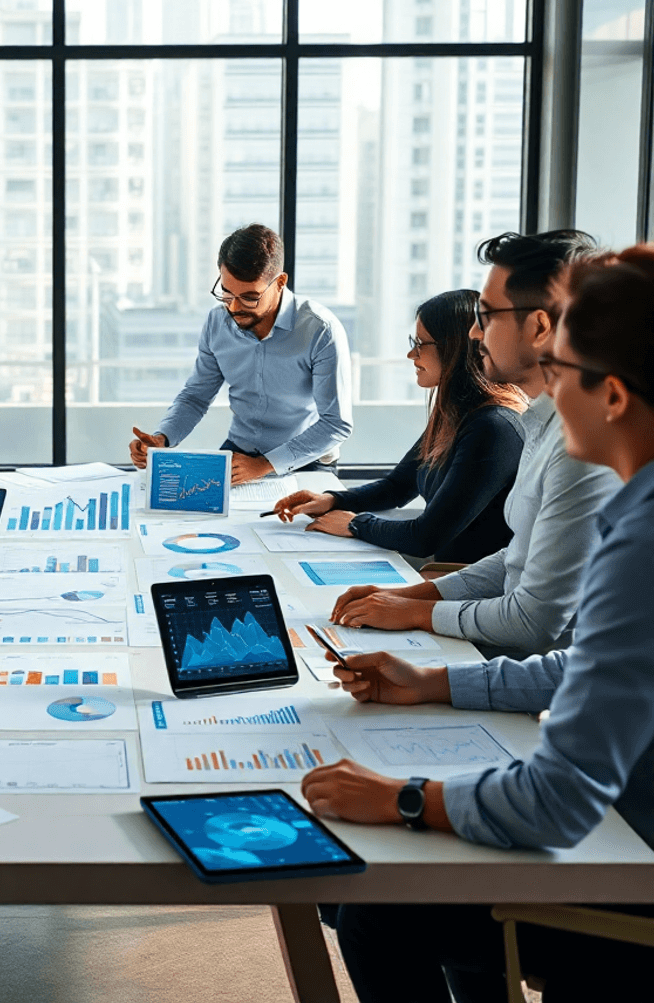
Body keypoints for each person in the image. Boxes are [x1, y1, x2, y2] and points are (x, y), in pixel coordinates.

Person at [299, 244, 654, 1003]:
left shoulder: (641, 530)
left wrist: (402, 797)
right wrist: (433, 679)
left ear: (615, 396)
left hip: (632, 873)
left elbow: (556, 802)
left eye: (563, 367)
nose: (546, 388)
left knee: (372, 906)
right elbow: (594, 664)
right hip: (626, 823)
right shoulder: (634, 501)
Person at [329, 230, 619, 658]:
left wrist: (416, 613)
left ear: (539, 326)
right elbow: (514, 559)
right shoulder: (542, 424)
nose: (474, 333)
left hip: (523, 668)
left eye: (486, 316)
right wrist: (416, 596)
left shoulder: (578, 451)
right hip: (498, 646)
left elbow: (532, 623)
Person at [273, 289, 526, 565]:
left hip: (468, 584)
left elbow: (424, 537)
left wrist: (355, 524)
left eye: (420, 343)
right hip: (446, 574)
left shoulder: (492, 428)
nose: (410, 354)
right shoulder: (456, 414)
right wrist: (331, 500)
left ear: (454, 349)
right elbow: (397, 487)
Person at [128, 224, 353, 483]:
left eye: (249, 297)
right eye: (226, 292)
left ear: (280, 283)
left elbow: (336, 424)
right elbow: (196, 397)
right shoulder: (217, 323)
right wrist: (162, 439)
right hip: (239, 453)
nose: (234, 307)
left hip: (305, 461)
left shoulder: (320, 330)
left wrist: (265, 465)